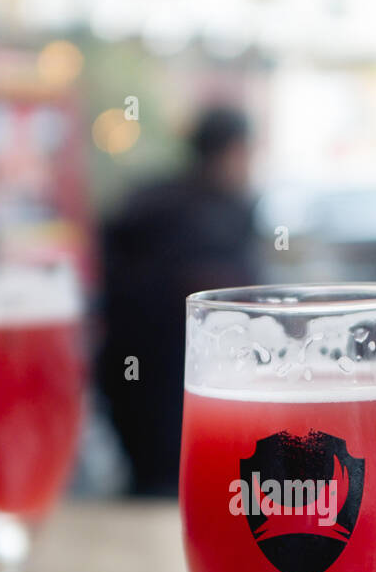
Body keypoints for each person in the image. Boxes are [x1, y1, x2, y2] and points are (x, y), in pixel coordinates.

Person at [98, 105, 260, 494]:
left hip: (124, 388)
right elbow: (244, 314)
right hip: (185, 400)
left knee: (148, 489)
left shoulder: (145, 201)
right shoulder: (220, 219)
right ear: (235, 151)